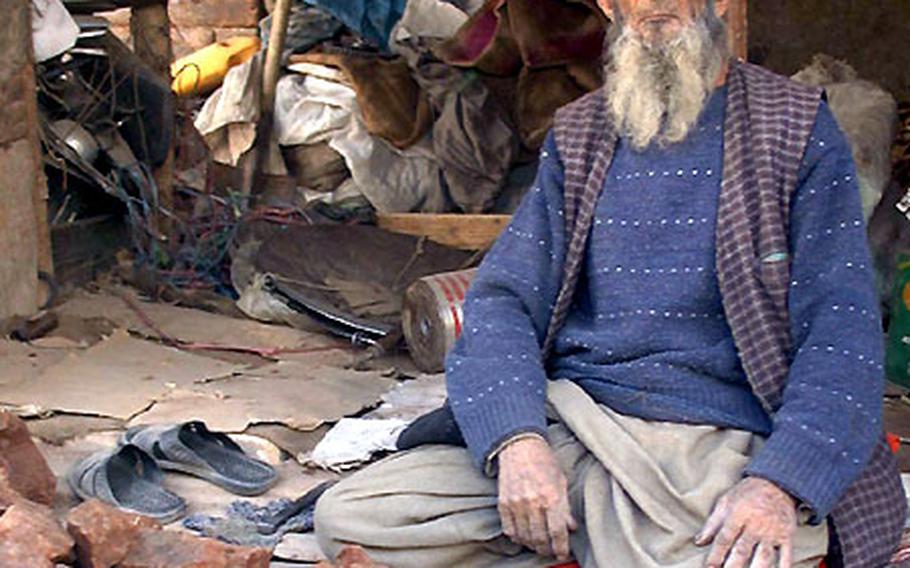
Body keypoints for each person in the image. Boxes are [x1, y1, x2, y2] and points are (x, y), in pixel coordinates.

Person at [314, 1, 906, 566]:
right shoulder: (580, 133)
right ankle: (596, 527)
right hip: (578, 422)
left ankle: (588, 534)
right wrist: (517, 443)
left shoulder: (795, 125)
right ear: (606, 2)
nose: (652, 6)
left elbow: (841, 333)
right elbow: (502, 301)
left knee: (719, 542)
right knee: (356, 517)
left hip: (712, 439)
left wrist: (778, 485)